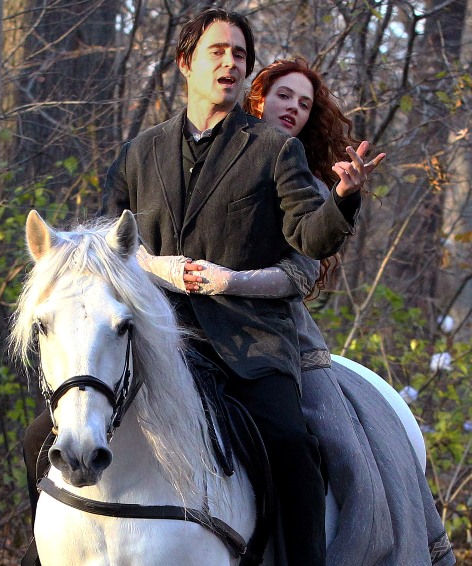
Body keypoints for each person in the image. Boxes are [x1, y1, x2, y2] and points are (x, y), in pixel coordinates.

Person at [24, 9, 372, 566]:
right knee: (36, 438)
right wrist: (156, 268)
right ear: (186, 62)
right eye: (218, 51)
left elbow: (311, 236)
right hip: (151, 338)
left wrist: (343, 200)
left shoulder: (274, 150)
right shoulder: (141, 152)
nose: (230, 63)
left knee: (292, 446)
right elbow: (108, 244)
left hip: (248, 346)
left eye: (240, 54)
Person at [138, 57, 390, 565]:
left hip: (269, 334)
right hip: (178, 325)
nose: (293, 108)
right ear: (257, 98)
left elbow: (301, 271)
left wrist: (342, 195)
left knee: (313, 443)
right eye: (283, 96)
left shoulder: (302, 179)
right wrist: (161, 268)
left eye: (304, 104)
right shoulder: (191, 155)